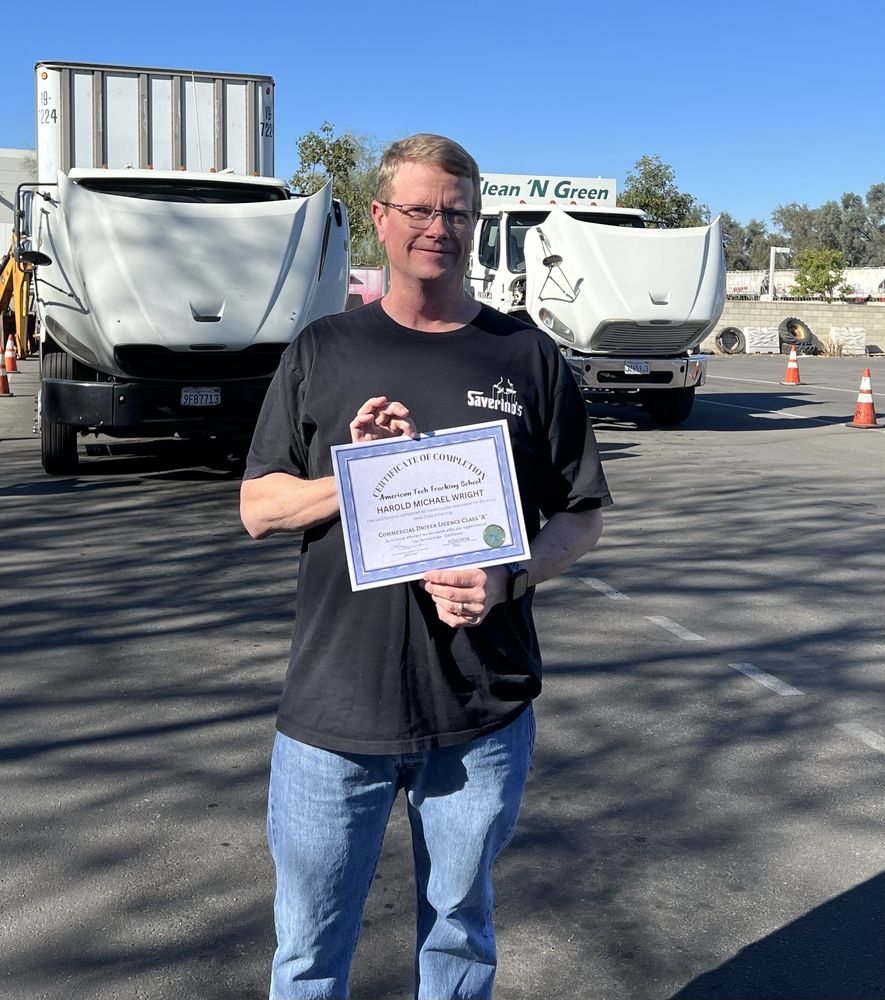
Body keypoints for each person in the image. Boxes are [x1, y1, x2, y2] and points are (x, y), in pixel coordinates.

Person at [240, 133, 612, 1000]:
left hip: (481, 708)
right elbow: (259, 509)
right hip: (335, 711)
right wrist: (355, 474)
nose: (436, 226)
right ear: (379, 218)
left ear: (476, 222)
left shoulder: (527, 357)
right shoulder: (323, 350)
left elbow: (582, 516)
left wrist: (507, 575)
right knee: (307, 951)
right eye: (417, 208)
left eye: (455, 211)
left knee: (458, 940)